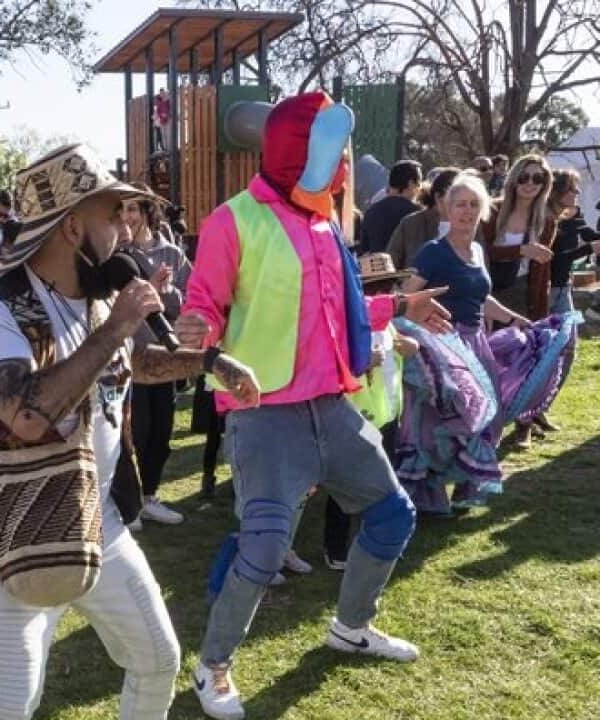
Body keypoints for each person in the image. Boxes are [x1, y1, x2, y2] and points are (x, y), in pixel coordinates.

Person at [0, 144, 259, 720]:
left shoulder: (94, 297)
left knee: (158, 659)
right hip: (8, 516)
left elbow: (131, 364)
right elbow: (27, 414)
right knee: (13, 697)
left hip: (93, 509)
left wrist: (210, 361)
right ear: (72, 227)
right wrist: (117, 326)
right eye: (114, 213)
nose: (127, 228)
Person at [176, 92, 455, 720]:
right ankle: (212, 664)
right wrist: (198, 326)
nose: (340, 165)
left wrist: (398, 306)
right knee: (264, 548)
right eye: (329, 148)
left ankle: (351, 626)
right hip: (264, 412)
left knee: (392, 515)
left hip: (331, 407)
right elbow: (204, 303)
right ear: (292, 149)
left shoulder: (325, 222)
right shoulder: (233, 219)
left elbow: (341, 309)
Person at [397, 175, 580, 513]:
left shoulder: (478, 250)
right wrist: (420, 324)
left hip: (477, 343)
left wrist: (513, 319)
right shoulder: (433, 252)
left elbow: (481, 297)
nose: (466, 212)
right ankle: (426, 496)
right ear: (446, 209)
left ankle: (466, 488)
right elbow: (406, 297)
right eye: (459, 205)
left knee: (487, 416)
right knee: (444, 420)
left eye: (473, 205)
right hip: (444, 347)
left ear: (482, 210)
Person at [324, 254, 419, 570]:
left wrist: (409, 346)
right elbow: (333, 365)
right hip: (355, 417)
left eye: (388, 286)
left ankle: (378, 542)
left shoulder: (388, 323)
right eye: (373, 288)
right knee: (345, 484)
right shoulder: (350, 324)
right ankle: (335, 547)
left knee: (383, 483)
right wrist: (362, 362)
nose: (382, 294)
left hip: (387, 415)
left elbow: (398, 347)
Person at [121, 182, 188, 528]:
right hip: (130, 360)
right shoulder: (118, 255)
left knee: (162, 434)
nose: (127, 217)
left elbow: (189, 300)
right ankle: (130, 503)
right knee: (136, 433)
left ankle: (149, 496)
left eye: (132, 208)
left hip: (164, 359)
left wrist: (167, 291)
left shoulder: (172, 254)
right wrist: (148, 287)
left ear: (148, 211)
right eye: (122, 210)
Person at [479, 155, 558, 447]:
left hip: (526, 292)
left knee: (526, 358)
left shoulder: (546, 219)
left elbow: (542, 268)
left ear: (545, 184)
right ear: (513, 179)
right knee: (489, 357)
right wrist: (520, 250)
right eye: (524, 177)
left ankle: (524, 424)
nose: (530, 184)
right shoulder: (492, 210)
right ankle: (487, 421)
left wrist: (541, 310)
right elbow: (482, 251)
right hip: (492, 291)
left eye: (538, 178)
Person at [545, 168, 600, 315]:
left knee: (568, 326)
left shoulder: (575, 213)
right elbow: (554, 258)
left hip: (564, 283)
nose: (578, 192)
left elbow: (589, 235)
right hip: (548, 286)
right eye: (573, 189)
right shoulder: (546, 220)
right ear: (557, 191)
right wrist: (589, 248)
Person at [386, 167, 461, 269]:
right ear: (438, 197)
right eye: (456, 198)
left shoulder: (475, 226)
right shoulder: (411, 224)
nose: (463, 206)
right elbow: (390, 264)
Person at [360, 160, 423, 255]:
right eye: (419, 183)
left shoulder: (371, 211)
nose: (420, 188)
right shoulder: (417, 213)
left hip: (377, 263)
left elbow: (364, 248)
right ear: (411, 184)